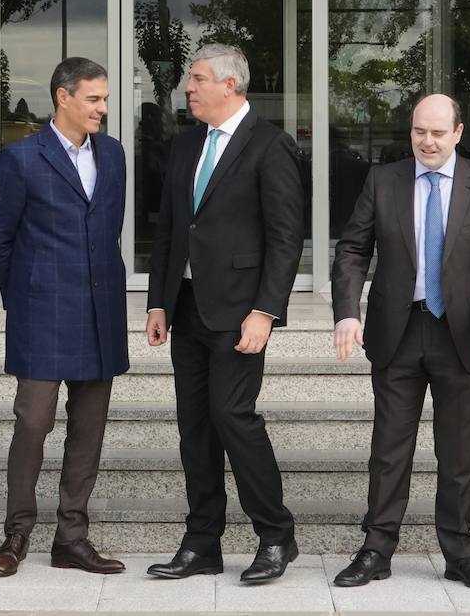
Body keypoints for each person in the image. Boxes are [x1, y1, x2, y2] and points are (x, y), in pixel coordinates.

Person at [328, 94, 470, 589]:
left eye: (438, 132)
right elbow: (352, 249)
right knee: (389, 449)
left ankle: (459, 553)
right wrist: (347, 313)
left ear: (458, 133)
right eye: (419, 132)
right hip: (398, 330)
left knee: (458, 451)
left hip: (462, 334)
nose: (427, 142)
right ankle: (376, 548)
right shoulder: (383, 180)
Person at [144, 43, 305, 584]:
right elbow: (170, 228)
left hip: (240, 314)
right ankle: (202, 543)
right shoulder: (186, 143)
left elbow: (286, 239)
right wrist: (158, 301)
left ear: (230, 84)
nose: (188, 88)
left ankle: (277, 537)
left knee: (233, 417)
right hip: (187, 310)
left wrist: (266, 312)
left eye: (196, 79)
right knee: (194, 427)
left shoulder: (270, 144)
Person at [0, 57, 129, 578]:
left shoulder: (113, 155)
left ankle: (72, 538)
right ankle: (16, 534)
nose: (102, 109)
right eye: (94, 99)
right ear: (63, 97)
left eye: (105, 99)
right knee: (33, 423)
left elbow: (107, 233)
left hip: (100, 314)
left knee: (89, 431)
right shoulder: (20, 159)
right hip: (42, 314)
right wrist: (25, 294)